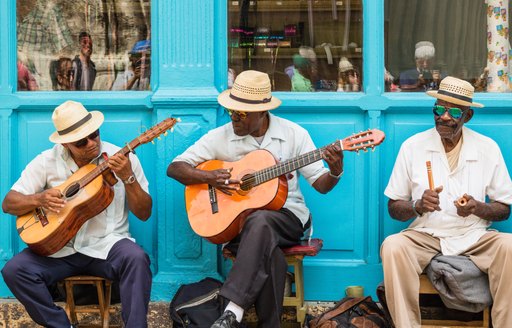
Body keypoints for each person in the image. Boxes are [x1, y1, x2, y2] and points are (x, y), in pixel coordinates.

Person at [167, 70, 343, 328]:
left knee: (261, 220)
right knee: (272, 257)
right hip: (240, 226)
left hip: (288, 217)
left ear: (262, 112)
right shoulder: (221, 136)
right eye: (231, 111)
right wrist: (210, 178)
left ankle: (232, 311)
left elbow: (320, 185)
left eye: (240, 113)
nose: (233, 117)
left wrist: (336, 171)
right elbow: (175, 168)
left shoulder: (294, 134)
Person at [1, 100, 153, 328]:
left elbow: (144, 213)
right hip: (59, 249)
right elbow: (9, 203)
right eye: (82, 142)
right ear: (66, 144)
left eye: (95, 135)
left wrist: (128, 177)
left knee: (137, 259)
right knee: (14, 270)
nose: (92, 144)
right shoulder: (46, 161)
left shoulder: (121, 159)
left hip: (107, 246)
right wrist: (39, 199)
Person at [381, 76, 512, 328]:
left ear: (468, 116)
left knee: (509, 247)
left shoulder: (487, 148)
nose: (444, 117)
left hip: (473, 236)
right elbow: (394, 207)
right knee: (392, 247)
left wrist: (478, 208)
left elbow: (504, 208)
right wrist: (418, 205)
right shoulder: (413, 146)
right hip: (426, 234)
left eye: (454, 111)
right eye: (439, 109)